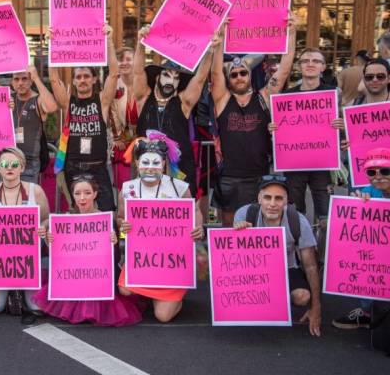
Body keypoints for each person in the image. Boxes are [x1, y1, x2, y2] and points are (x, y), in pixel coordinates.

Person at [210, 16, 296, 226]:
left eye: (243, 73)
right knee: (230, 227)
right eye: (234, 75)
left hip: (258, 176)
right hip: (229, 176)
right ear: (228, 80)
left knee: (257, 225)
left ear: (250, 76)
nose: (239, 77)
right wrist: (219, 41)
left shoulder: (263, 96)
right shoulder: (222, 99)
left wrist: (292, 34)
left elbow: (283, 71)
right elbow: (215, 72)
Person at [32, 174, 142, 326]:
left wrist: (115, 241)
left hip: (99, 276)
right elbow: (59, 257)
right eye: (77, 193)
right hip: (75, 275)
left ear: (95, 194)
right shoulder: (65, 220)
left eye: (87, 193)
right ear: (73, 196)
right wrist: (50, 241)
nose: (82, 198)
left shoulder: (107, 219)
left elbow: (119, 251)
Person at [116, 136, 204, 322]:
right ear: (137, 162)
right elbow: (120, 219)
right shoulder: (127, 189)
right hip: (144, 259)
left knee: (163, 317)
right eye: (145, 161)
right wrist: (123, 226)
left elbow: (194, 209)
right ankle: (151, 295)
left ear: (164, 163)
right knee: (124, 289)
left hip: (172, 262)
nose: (150, 167)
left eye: (155, 162)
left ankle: (173, 297)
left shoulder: (179, 187)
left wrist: (198, 227)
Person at [269, 47, 345, 256]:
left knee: (325, 218)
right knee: (295, 213)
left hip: (322, 164)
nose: (310, 64)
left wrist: (341, 124)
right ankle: (298, 258)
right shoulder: (287, 96)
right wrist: (273, 128)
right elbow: (280, 128)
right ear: (299, 66)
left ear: (323, 67)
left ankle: (323, 260)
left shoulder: (333, 94)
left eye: (316, 61)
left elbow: (342, 127)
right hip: (295, 164)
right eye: (305, 61)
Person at [133, 27, 220, 196]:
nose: (170, 81)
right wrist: (140, 44)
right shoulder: (143, 98)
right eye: (166, 75)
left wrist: (210, 50)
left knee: (182, 211)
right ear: (157, 77)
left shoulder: (183, 103)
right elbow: (137, 72)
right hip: (147, 167)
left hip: (179, 169)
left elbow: (200, 78)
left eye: (176, 77)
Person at [233, 175, 322, 337]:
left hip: (286, 268)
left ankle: (274, 300)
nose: (272, 204)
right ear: (259, 198)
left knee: (302, 297)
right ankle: (265, 299)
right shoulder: (244, 214)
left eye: (278, 198)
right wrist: (239, 235)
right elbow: (231, 259)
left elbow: (310, 266)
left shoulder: (298, 221)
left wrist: (316, 307)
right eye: (267, 197)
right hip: (253, 272)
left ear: (286, 201)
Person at [50, 25, 119, 211]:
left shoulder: (102, 102)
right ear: (73, 81)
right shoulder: (67, 103)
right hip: (73, 168)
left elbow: (114, 74)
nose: (82, 80)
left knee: (108, 213)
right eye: (78, 77)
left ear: (94, 79)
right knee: (78, 215)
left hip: (98, 168)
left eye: (86, 76)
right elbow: (54, 80)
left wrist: (109, 41)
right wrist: (52, 44)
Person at [0, 147, 50, 323]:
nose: (9, 167)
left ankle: (20, 291)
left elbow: (47, 219)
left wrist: (42, 227)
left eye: (14, 164)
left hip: (29, 261)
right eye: (4, 164)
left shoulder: (36, 191)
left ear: (22, 167)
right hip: (0, 263)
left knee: (37, 307)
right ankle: (10, 291)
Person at [332, 147, 390, 329]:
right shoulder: (368, 191)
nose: (378, 176)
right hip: (379, 251)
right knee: (363, 261)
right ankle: (367, 313)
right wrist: (356, 204)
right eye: (372, 172)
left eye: (385, 171)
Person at [8, 66, 58, 183]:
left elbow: (52, 107)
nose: (20, 83)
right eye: (16, 79)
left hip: (29, 162)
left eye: (24, 79)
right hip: (9, 159)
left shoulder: (37, 100)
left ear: (31, 81)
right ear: (12, 82)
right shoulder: (9, 97)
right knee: (10, 199)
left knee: (28, 200)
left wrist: (36, 78)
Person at [110, 46, 140, 190]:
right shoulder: (113, 83)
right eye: (120, 60)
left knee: (144, 184)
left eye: (128, 59)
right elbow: (110, 110)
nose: (124, 63)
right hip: (122, 141)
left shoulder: (144, 83)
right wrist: (116, 136)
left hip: (143, 140)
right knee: (124, 186)